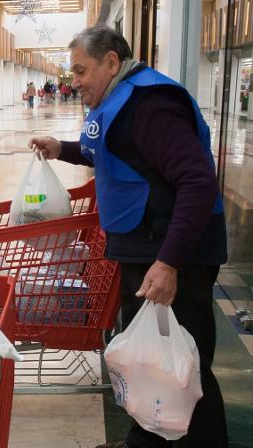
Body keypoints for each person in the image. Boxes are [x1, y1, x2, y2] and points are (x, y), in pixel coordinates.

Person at [29, 25, 228, 448]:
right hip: (147, 247)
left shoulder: (150, 105)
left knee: (184, 363)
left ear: (112, 63)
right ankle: (148, 440)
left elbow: (197, 181)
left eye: (81, 71)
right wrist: (60, 148)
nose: (75, 81)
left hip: (173, 253)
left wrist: (169, 261)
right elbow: (115, 149)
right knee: (152, 361)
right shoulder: (122, 101)